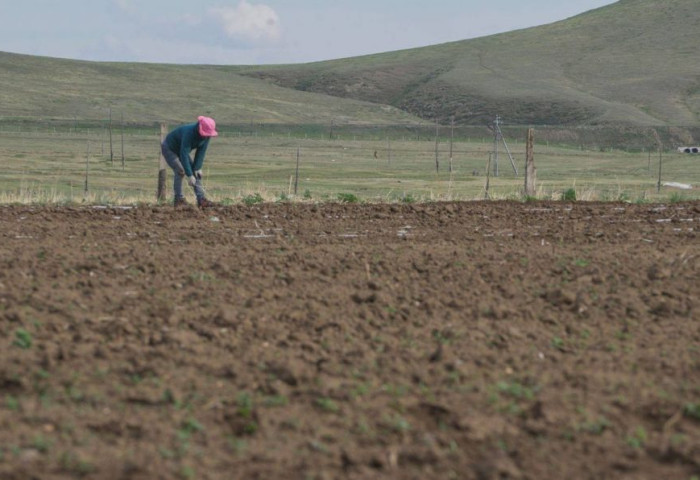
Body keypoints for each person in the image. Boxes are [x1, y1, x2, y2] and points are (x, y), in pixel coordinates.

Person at [161, 116, 218, 208]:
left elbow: (201, 152)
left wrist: (197, 167)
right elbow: (183, 154)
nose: (206, 136)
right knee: (180, 171)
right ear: (200, 128)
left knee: (196, 172)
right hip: (169, 148)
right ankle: (178, 200)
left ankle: (201, 199)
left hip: (181, 150)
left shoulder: (207, 136)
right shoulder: (189, 133)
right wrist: (189, 175)